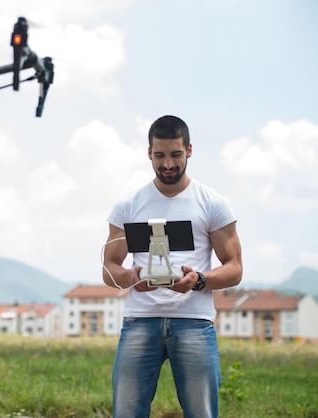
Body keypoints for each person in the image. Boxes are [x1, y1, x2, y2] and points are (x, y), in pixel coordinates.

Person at [102, 115, 243, 418]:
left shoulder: (212, 203)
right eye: (160, 155)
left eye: (176, 155)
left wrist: (199, 279)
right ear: (149, 153)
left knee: (201, 414)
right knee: (125, 413)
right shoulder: (129, 205)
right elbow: (109, 268)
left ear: (189, 150)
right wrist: (129, 277)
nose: (168, 164)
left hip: (193, 320)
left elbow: (234, 268)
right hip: (141, 319)